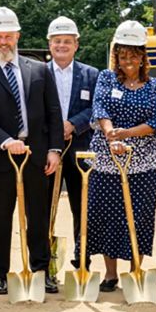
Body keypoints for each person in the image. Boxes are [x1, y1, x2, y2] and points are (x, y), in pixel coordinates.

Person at [0, 7, 65, 295]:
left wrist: (55, 149)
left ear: (17, 36)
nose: (4, 42)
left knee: (38, 214)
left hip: (36, 154)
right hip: (1, 156)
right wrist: (5, 141)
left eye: (8, 36)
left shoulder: (39, 70)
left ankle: (41, 269)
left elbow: (53, 111)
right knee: (0, 215)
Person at [84, 21, 156, 291]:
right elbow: (100, 109)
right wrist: (111, 136)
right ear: (116, 56)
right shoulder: (106, 79)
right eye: (122, 55)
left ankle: (135, 271)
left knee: (140, 216)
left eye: (133, 55)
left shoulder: (155, 86)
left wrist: (126, 134)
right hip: (108, 160)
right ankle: (110, 274)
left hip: (145, 162)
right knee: (107, 215)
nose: (128, 61)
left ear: (143, 56)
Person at [45, 16, 100, 275]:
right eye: (57, 41)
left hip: (81, 148)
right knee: (45, 206)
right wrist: (56, 129)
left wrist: (73, 125)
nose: (62, 45)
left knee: (83, 206)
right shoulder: (38, 73)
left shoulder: (91, 74)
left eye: (67, 41)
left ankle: (83, 258)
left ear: (76, 44)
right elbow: (34, 109)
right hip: (49, 151)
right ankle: (45, 258)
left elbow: (96, 108)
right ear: (50, 44)